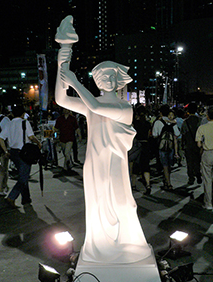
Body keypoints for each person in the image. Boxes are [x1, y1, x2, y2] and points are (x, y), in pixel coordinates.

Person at [55, 45, 151, 263]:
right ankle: (100, 245)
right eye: (102, 76)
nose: (107, 79)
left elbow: (96, 106)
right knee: (97, 203)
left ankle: (126, 243)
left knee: (121, 202)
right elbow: (62, 100)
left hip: (114, 163)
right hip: (94, 163)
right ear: (96, 80)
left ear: (119, 80)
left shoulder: (124, 107)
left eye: (111, 75)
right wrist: (62, 65)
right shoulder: (90, 104)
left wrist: (74, 81)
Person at [0, 105, 41, 208]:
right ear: (23, 114)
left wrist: (5, 150)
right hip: (24, 153)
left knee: (23, 174)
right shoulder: (25, 122)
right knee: (23, 177)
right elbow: (31, 136)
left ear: (13, 114)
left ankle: (26, 199)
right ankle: (11, 197)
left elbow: (0, 138)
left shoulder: (9, 123)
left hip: (13, 153)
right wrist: (38, 143)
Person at [195, 105, 213, 210]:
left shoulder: (202, 127)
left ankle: (208, 203)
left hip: (207, 154)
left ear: (207, 116)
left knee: (207, 179)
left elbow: (199, 144)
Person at [152, 104, 180, 190]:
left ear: (160, 113)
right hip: (171, 147)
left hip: (162, 146)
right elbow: (178, 134)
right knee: (169, 165)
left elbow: (154, 135)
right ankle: (167, 181)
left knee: (164, 165)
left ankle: (168, 183)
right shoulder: (173, 122)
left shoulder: (158, 122)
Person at [129, 105, 152, 195]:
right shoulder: (147, 123)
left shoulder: (135, 123)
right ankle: (148, 185)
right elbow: (149, 135)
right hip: (145, 145)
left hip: (137, 145)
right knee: (146, 166)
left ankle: (133, 185)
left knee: (135, 166)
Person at [181, 102, 202, 185]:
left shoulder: (185, 122)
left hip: (188, 145)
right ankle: (198, 173)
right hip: (198, 144)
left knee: (189, 162)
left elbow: (183, 134)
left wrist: (182, 144)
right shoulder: (200, 120)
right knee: (198, 161)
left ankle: (191, 178)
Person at [0, 101, 10, 196]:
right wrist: (7, 149)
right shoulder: (5, 119)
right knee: (2, 170)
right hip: (0, 148)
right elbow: (8, 135)